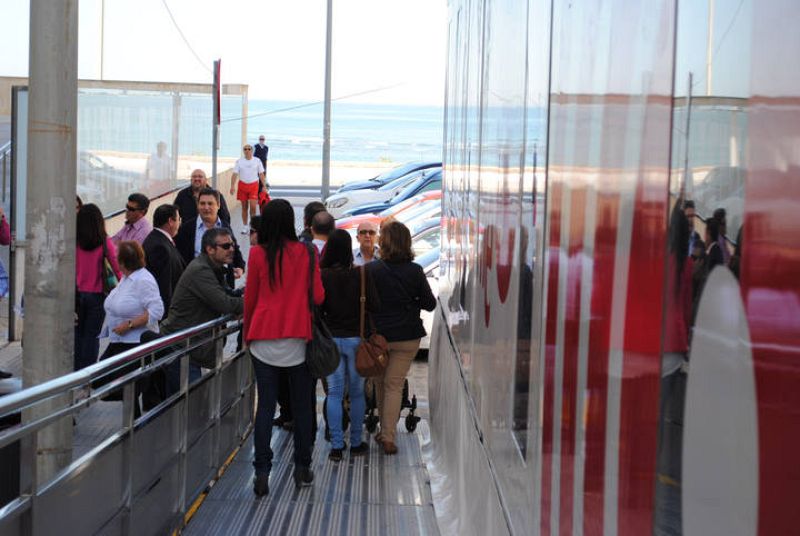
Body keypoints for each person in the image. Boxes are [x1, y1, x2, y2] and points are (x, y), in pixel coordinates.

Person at [244, 199, 324, 496]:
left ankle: (262, 472)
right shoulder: (307, 252)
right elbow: (317, 296)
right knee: (303, 407)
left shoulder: (256, 254)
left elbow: (250, 299)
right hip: (297, 339)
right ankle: (302, 467)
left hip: (263, 339)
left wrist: (247, 335)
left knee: (265, 407)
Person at [366, 221, 435, 455]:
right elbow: (430, 303)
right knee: (394, 384)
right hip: (407, 336)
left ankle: (386, 433)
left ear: (383, 243)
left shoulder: (371, 270)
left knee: (380, 383)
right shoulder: (415, 271)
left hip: (378, 339)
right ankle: (388, 436)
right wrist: (411, 301)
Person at [160, 228, 244, 393]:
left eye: (233, 245)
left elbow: (227, 295)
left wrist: (243, 294)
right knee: (193, 403)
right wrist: (254, 302)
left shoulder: (214, 267)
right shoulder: (201, 270)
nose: (232, 249)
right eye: (226, 246)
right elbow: (224, 303)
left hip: (190, 348)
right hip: (181, 349)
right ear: (210, 249)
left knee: (189, 403)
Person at [320, 230, 377, 460]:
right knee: (356, 393)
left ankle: (336, 445)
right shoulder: (362, 275)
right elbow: (375, 304)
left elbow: (316, 307)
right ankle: (355, 442)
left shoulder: (322, 275)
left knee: (334, 393)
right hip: (357, 341)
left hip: (331, 340)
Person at [654, 206, 694, 534]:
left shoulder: (661, 263)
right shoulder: (687, 264)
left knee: (650, 417)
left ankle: (646, 468)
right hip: (676, 348)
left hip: (656, 344)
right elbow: (687, 306)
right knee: (664, 416)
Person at [96, 241, 164, 403]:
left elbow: (157, 310)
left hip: (134, 343)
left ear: (122, 262)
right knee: (101, 381)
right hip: (118, 342)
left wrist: (129, 325)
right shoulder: (126, 279)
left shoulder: (143, 280)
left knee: (123, 386)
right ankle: (133, 418)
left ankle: (134, 419)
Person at [75, 204, 122, 370]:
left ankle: (73, 375)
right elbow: (117, 269)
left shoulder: (74, 242)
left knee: (77, 336)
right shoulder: (104, 242)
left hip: (76, 296)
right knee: (92, 337)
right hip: (97, 297)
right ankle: (86, 375)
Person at [174, 188, 245, 290]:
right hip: (195, 286)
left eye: (210, 203)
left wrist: (241, 267)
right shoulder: (186, 229)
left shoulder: (225, 226)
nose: (206, 207)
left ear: (218, 205)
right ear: (197, 205)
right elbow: (180, 258)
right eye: (202, 203)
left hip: (222, 286)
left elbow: (234, 249)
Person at [142, 204, 185, 316]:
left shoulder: (157, 239)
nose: (180, 223)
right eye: (179, 219)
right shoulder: (160, 247)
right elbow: (164, 287)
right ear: (171, 221)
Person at [229, 144, 265, 232]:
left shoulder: (257, 161)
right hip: (242, 185)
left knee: (253, 207)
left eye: (249, 149)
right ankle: (245, 226)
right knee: (244, 207)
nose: (247, 150)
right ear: (243, 151)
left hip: (253, 185)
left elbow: (261, 174)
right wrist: (232, 186)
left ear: (252, 151)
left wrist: (264, 186)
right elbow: (234, 174)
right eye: (245, 149)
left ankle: (252, 226)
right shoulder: (239, 162)